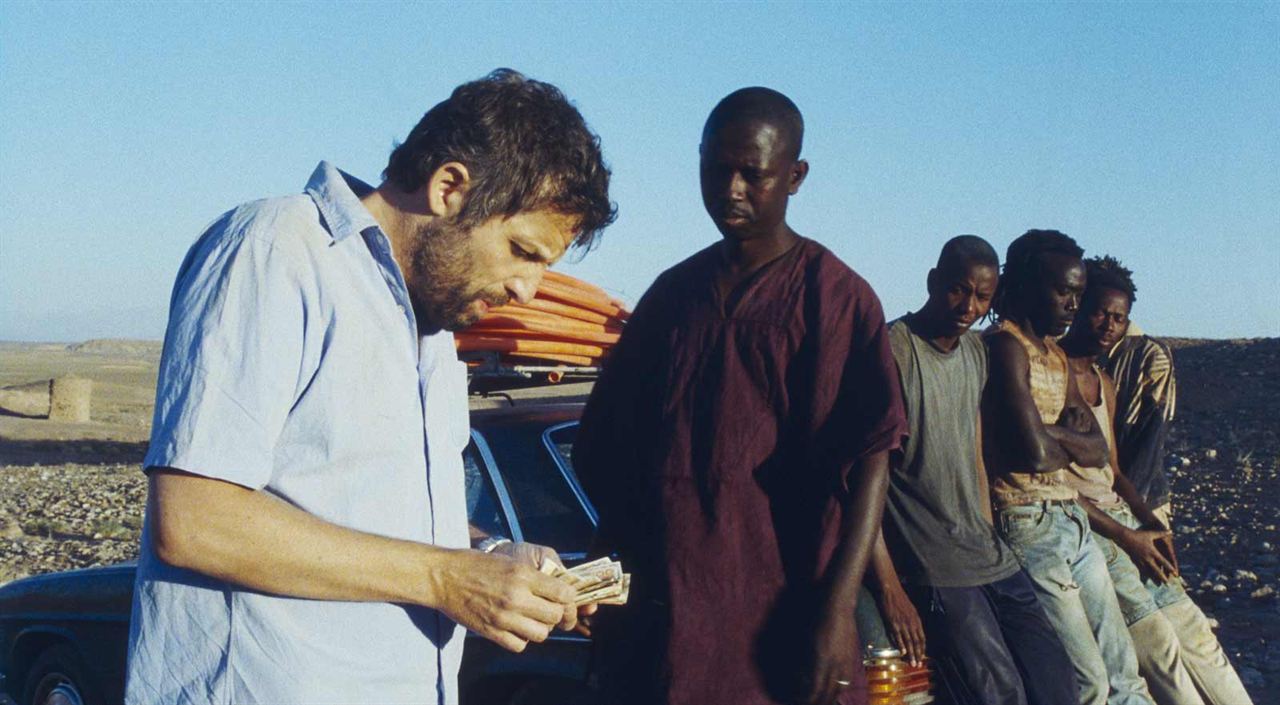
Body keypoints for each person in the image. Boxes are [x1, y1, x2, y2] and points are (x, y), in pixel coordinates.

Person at [126, 69, 616, 705]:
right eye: (523, 251)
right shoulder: (277, 250)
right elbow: (196, 520)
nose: (528, 289)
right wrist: (448, 579)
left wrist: (492, 556)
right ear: (449, 188)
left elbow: (372, 514)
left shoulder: (433, 329)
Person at [573, 87, 907, 705]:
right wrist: (601, 572)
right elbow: (621, 451)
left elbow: (871, 462)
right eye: (715, 169)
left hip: (784, 607)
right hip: (672, 605)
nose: (731, 189)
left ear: (795, 176)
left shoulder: (834, 298)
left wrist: (838, 614)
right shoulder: (671, 299)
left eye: (752, 174)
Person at [869, 235, 1076, 705]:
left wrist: (987, 527)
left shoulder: (976, 353)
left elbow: (975, 450)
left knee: (1058, 680)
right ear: (932, 281)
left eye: (983, 297)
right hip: (933, 561)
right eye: (957, 290)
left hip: (988, 553)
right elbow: (863, 478)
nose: (968, 307)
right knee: (997, 693)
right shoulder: (892, 350)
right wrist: (890, 588)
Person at [1059, 258, 1252, 705]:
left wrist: (1151, 524)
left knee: (1197, 634)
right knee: (1157, 644)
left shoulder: (1104, 382)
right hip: (1091, 530)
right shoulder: (1050, 372)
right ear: (1078, 305)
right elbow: (1053, 483)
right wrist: (1128, 536)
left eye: (1118, 317)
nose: (1109, 325)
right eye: (1100, 312)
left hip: (1126, 518)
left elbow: (1114, 471)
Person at [981, 230, 1153, 705]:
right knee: (1088, 682)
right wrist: (1052, 439)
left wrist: (1045, 431)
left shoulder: (1055, 354)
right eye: (1063, 291)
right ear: (1027, 285)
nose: (1073, 304)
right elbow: (1031, 457)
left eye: (1078, 293)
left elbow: (1096, 450)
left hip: (1071, 520)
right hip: (1028, 520)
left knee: (1124, 672)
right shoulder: (1005, 346)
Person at [1088, 257, 1179, 528]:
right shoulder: (1077, 351)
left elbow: (1151, 437)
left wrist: (1127, 510)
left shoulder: (1151, 356)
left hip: (1137, 497)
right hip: (1093, 497)